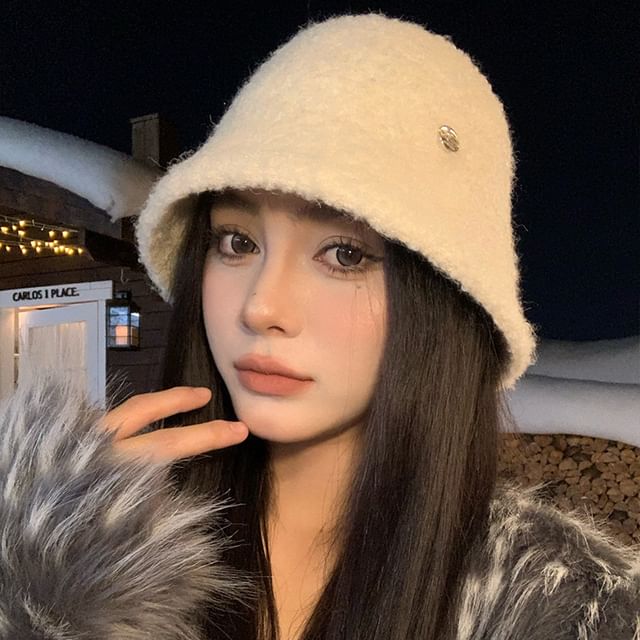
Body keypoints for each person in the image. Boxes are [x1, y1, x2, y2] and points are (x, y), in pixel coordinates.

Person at [0, 12, 638, 640]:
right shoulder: (88, 556)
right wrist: (44, 583)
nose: (260, 308)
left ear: (445, 306)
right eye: (237, 242)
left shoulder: (566, 614)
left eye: (345, 254)